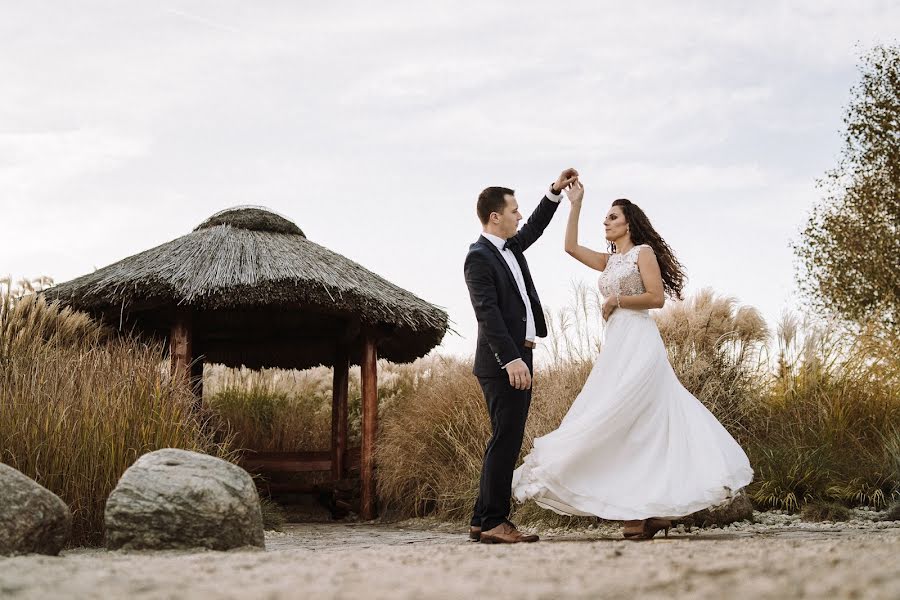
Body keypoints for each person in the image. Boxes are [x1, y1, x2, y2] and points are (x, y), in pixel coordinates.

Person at [512, 182, 753, 540]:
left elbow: (656, 298)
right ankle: (645, 509)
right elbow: (570, 247)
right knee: (618, 419)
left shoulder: (643, 253)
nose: (606, 223)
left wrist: (617, 302)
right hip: (616, 346)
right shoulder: (609, 260)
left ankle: (644, 511)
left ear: (628, 223)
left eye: (612, 217)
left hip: (640, 340)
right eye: (605, 218)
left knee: (639, 416)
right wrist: (575, 203)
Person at [464, 168, 579, 544]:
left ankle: (482, 520)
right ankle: (496, 521)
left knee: (503, 438)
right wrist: (511, 359)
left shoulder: (510, 247)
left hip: (519, 356)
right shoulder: (479, 257)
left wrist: (555, 192)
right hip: (505, 361)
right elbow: (488, 313)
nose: (519, 215)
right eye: (514, 210)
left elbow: (535, 227)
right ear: (495, 216)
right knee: (507, 439)